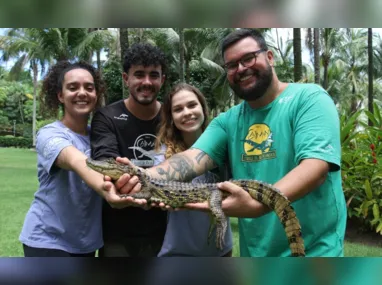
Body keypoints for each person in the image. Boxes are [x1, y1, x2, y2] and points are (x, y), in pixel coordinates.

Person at [115, 29, 347, 257]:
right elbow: (189, 160)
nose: (241, 69)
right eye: (232, 65)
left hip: (315, 252)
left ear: (269, 57)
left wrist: (258, 207)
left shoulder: (308, 98)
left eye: (248, 58)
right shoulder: (228, 120)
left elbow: (316, 168)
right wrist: (140, 175)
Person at [19, 61, 128, 257]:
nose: (82, 93)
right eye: (72, 87)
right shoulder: (49, 134)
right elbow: (75, 160)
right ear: (60, 95)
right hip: (47, 241)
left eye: (89, 87)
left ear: (96, 95)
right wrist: (108, 191)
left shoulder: (101, 138)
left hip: (86, 244)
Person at [90, 43, 168, 257]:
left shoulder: (173, 117)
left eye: (154, 75)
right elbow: (105, 162)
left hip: (167, 231)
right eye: (139, 75)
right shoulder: (107, 116)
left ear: (163, 79)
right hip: (117, 233)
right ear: (126, 79)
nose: (146, 82)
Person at [154, 83, 233, 257]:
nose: (187, 112)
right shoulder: (162, 155)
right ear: (171, 117)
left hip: (221, 249)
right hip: (179, 251)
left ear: (203, 108)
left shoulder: (225, 147)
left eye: (192, 105)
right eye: (178, 109)